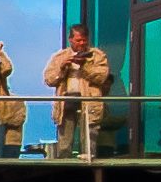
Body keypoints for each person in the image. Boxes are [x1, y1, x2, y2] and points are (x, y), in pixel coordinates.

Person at [42, 24, 113, 158]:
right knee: (64, 143)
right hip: (66, 102)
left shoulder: (97, 56)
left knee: (88, 141)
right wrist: (62, 67)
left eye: (84, 40)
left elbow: (101, 76)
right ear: (70, 39)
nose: (81, 43)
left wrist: (84, 65)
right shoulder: (60, 56)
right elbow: (49, 79)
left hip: (89, 102)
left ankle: (87, 168)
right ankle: (64, 167)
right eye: (78, 40)